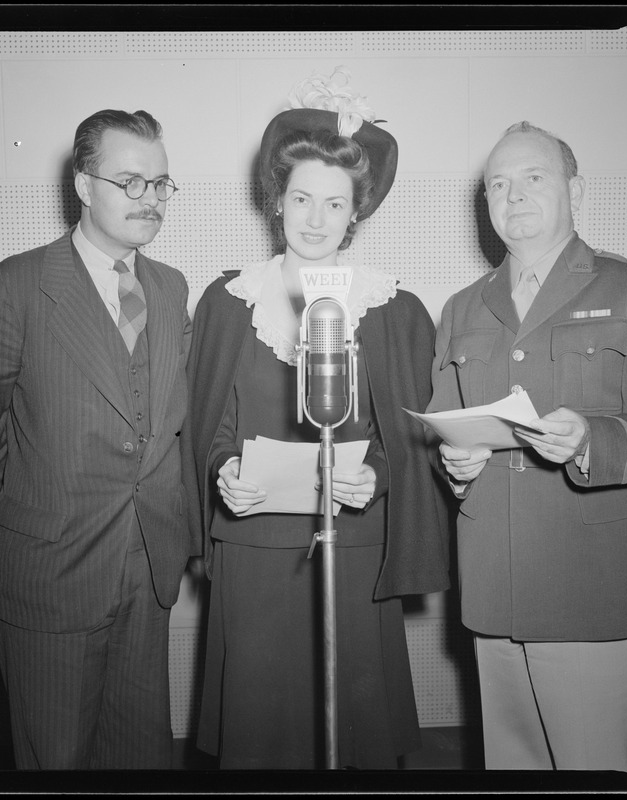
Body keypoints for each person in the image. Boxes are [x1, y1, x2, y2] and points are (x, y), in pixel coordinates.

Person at [185, 69, 451, 769]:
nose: (314, 218)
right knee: (260, 740)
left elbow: (413, 435)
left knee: (351, 739)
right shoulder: (228, 302)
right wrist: (224, 472)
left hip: (351, 547)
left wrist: (379, 479)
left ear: (355, 212)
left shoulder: (393, 309)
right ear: (276, 202)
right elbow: (209, 423)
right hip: (255, 548)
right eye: (301, 198)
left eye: (333, 204)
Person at [427, 121, 627, 788]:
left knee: (599, 774)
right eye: (496, 184)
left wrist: (593, 439)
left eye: (532, 178)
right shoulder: (462, 307)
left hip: (596, 589)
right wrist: (453, 464)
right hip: (495, 585)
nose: (511, 195)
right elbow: (444, 425)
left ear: (574, 189)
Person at [0, 109, 197, 770]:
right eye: (129, 182)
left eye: (161, 184)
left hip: (148, 573)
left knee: (143, 759)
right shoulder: (15, 288)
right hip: (50, 578)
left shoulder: (170, 291)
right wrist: (38, 515)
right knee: (55, 764)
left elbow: (169, 428)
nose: (149, 200)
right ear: (84, 186)